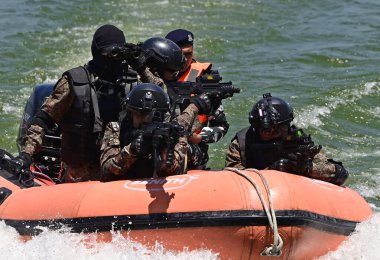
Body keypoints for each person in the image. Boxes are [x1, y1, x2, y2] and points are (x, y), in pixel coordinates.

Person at [17, 24, 137, 183]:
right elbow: (44, 119)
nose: (112, 59)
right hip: (81, 174)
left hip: (122, 168)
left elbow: (162, 102)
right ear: (96, 52)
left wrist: (141, 66)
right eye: (107, 53)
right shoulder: (74, 84)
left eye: (117, 53)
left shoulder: (134, 83)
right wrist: (26, 154)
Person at [225, 93, 349, 186]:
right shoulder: (242, 143)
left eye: (280, 128)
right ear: (256, 129)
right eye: (268, 130)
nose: (275, 134)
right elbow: (232, 179)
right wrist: (270, 170)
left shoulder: (297, 141)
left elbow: (340, 174)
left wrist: (307, 168)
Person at [100, 83, 214, 180]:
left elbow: (173, 170)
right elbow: (107, 170)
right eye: (140, 115)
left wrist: (164, 150)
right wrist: (133, 148)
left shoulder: (171, 132)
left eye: (152, 116)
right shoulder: (116, 129)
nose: (145, 120)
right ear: (130, 113)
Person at [165, 29, 230, 169]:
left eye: (189, 54)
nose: (185, 59)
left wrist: (199, 138)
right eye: (181, 55)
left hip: (193, 149)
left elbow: (221, 126)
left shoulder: (205, 81)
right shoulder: (153, 76)